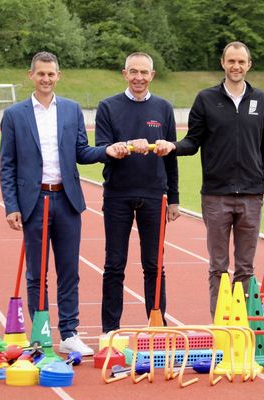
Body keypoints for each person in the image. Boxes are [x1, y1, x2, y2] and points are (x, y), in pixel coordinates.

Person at [0, 51, 116, 356]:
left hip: (66, 199)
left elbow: (82, 152)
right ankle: (39, 333)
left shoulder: (71, 110)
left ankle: (69, 332)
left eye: (51, 74)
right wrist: (11, 205)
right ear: (31, 76)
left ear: (58, 76)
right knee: (37, 273)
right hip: (33, 201)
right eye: (41, 74)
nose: (46, 79)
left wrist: (108, 151)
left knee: (69, 271)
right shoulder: (14, 115)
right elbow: (7, 165)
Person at [155, 41, 264, 319]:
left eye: (241, 62)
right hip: (216, 196)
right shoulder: (206, 99)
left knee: (246, 269)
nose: (236, 66)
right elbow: (193, 141)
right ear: (223, 63)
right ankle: (221, 324)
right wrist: (173, 146)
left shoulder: (261, 100)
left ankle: (244, 324)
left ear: (249, 65)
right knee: (218, 267)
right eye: (231, 61)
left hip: (251, 195)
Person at [95, 52, 180, 335]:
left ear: (152, 75)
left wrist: (175, 199)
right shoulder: (107, 107)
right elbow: (102, 149)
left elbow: (171, 157)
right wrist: (125, 146)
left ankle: (157, 326)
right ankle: (110, 330)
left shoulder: (164, 108)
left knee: (154, 266)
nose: (139, 78)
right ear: (124, 73)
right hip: (118, 194)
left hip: (155, 196)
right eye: (133, 72)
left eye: (144, 72)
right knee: (114, 265)